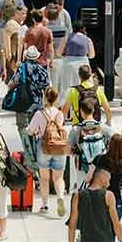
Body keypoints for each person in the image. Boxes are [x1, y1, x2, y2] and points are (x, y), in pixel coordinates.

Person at [25, 88, 71, 216]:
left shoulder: (39, 114)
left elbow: (30, 130)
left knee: (44, 179)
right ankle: (60, 196)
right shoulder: (60, 114)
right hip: (58, 147)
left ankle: (45, 205)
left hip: (44, 147)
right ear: (56, 99)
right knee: (58, 178)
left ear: (45, 98)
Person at [6, 47, 50, 171]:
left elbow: (13, 83)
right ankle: (36, 153)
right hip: (36, 103)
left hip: (23, 103)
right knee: (36, 129)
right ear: (36, 57)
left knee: (22, 127)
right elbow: (46, 85)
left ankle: (29, 155)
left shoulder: (22, 68)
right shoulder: (41, 69)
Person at [93, 133, 122, 220]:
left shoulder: (99, 159)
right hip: (115, 199)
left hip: (98, 197)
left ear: (110, 145)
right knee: (114, 228)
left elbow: (87, 179)